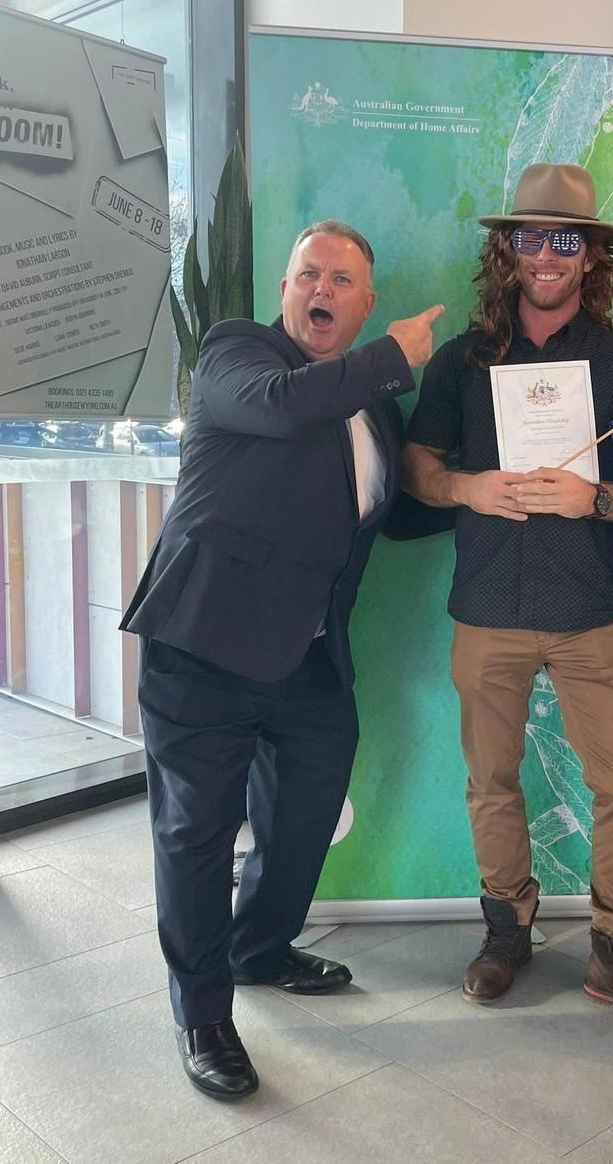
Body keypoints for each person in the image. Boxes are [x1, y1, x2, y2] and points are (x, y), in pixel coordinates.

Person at [121, 220, 443, 1099]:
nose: (322, 289)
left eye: (341, 279)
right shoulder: (239, 353)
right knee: (196, 835)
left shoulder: (374, 407)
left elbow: (386, 512)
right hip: (203, 644)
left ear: (364, 301)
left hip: (305, 654)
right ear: (285, 289)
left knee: (304, 815)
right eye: (310, 274)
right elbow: (279, 407)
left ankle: (258, 947)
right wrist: (390, 357)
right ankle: (202, 1013)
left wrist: (478, 491)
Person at [402, 163, 613, 1037]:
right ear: (508, 249)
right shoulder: (461, 362)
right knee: (490, 780)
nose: (546, 255)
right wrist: (465, 488)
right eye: (530, 237)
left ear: (590, 257)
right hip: (486, 605)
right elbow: (417, 466)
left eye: (564, 239)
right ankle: (507, 930)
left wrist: (594, 498)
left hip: (587, 611)